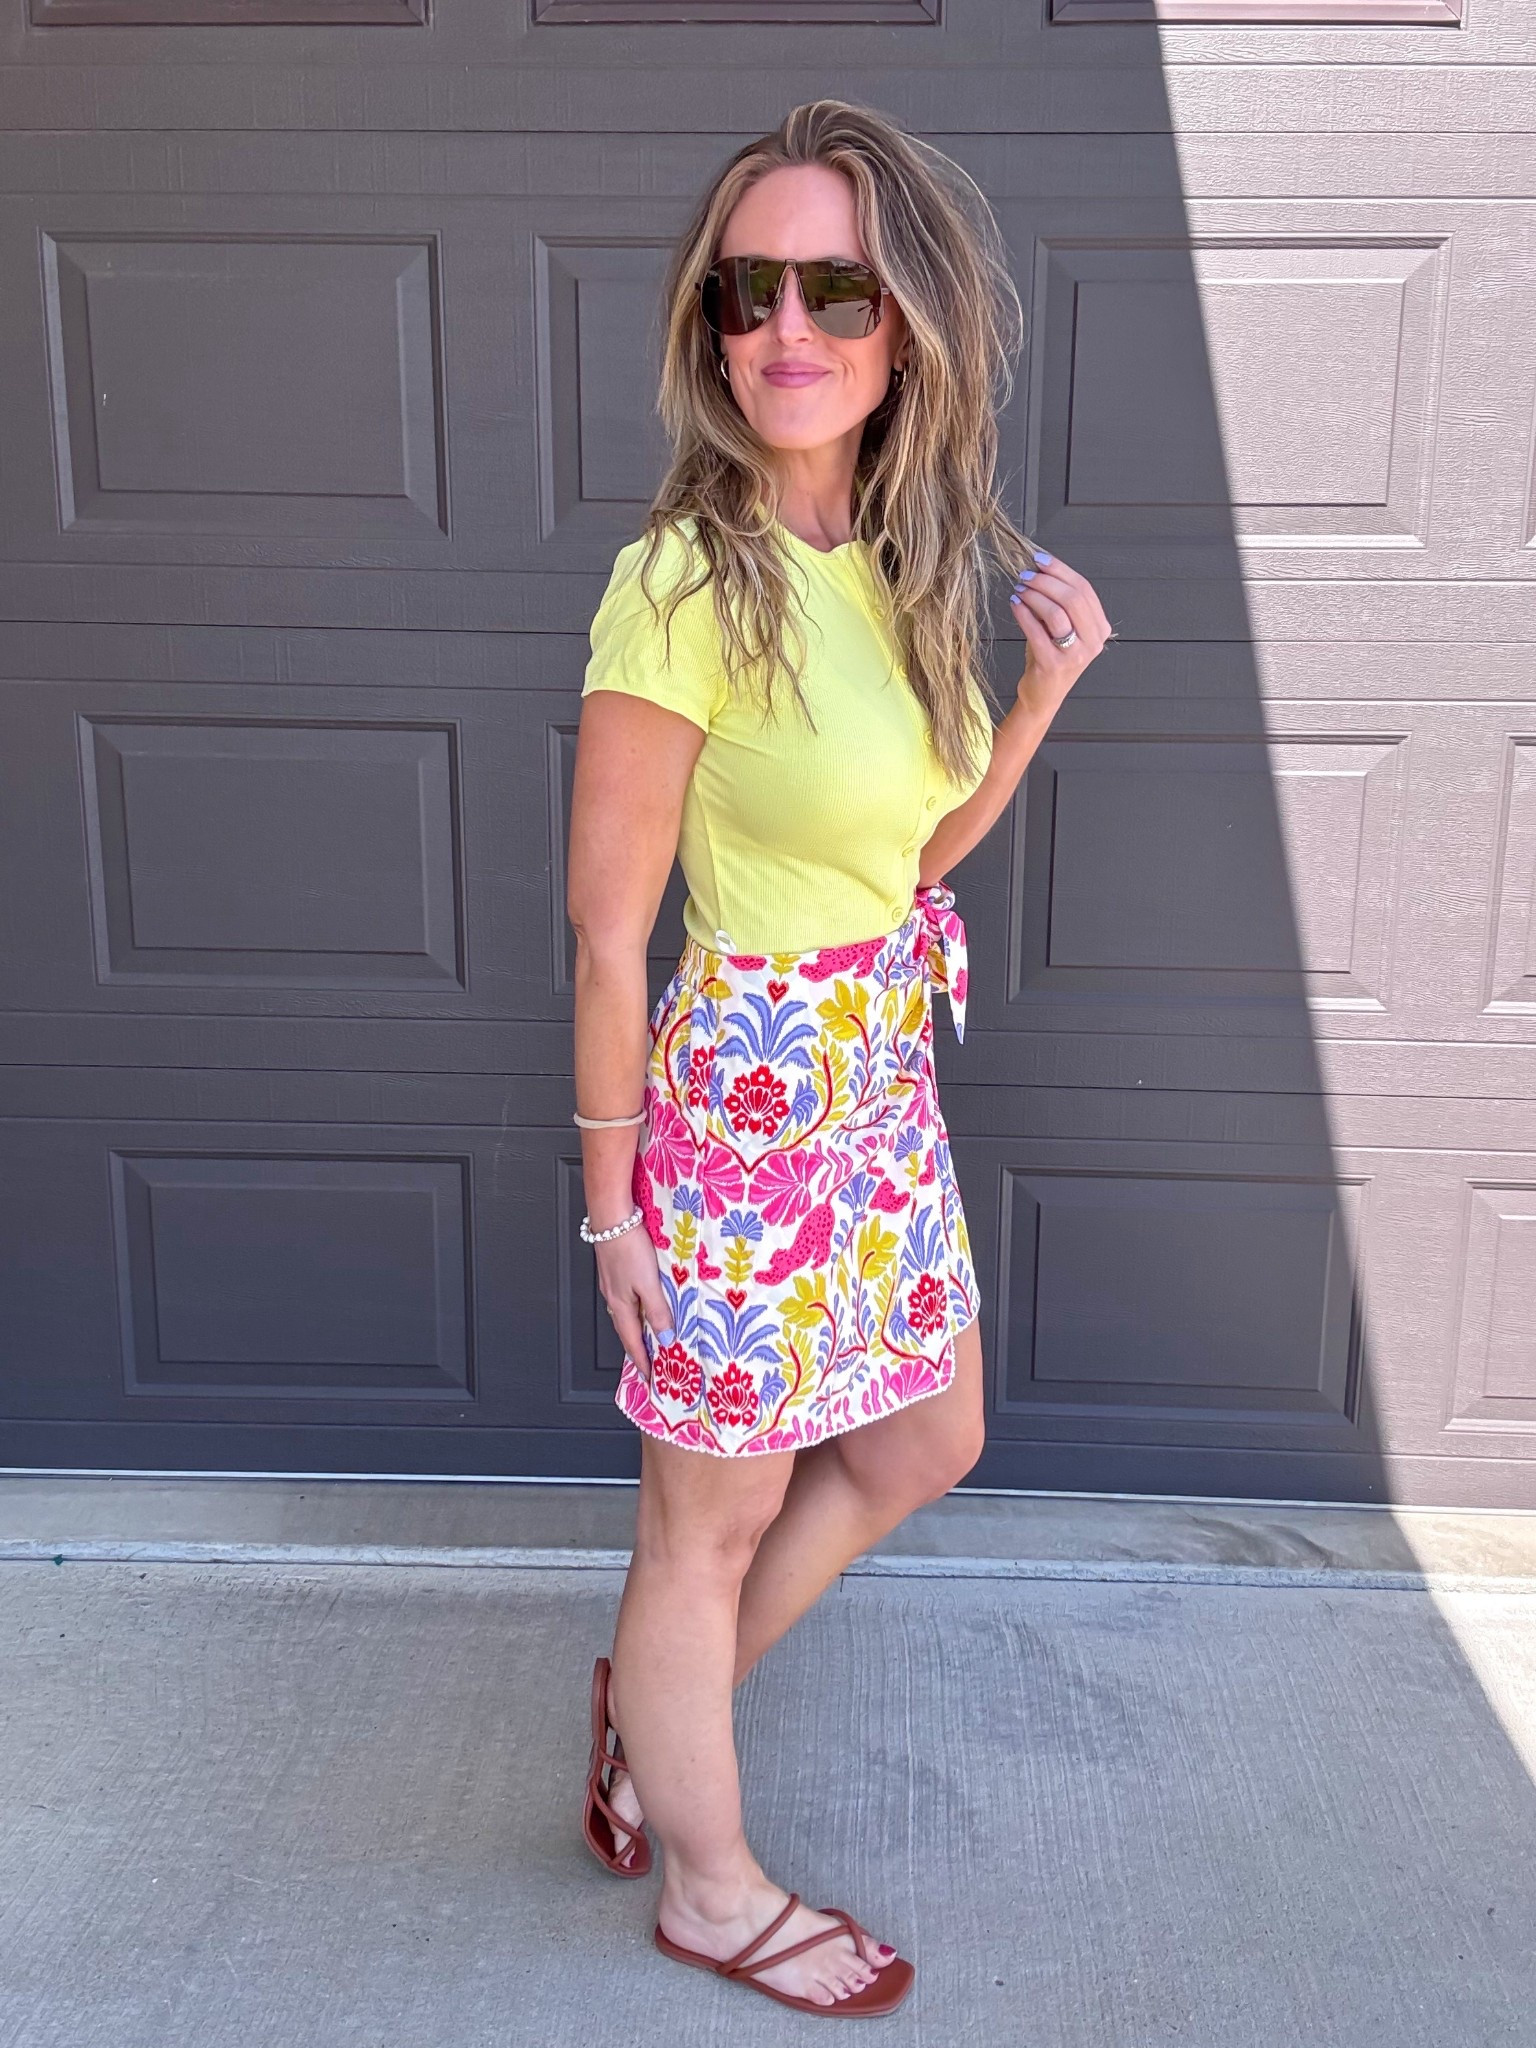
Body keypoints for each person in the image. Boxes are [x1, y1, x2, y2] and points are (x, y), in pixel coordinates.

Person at [565, 97, 1111, 2018]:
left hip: (880, 1081)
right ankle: (709, 1887)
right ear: (712, 328)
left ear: (906, 328)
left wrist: (1033, 704)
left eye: (838, 289)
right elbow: (608, 932)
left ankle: (655, 1709)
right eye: (751, 290)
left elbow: (909, 856)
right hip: (744, 1099)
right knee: (705, 1518)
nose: (788, 326)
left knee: (927, 1439)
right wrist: (611, 1210)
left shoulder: (897, 560)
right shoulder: (678, 586)